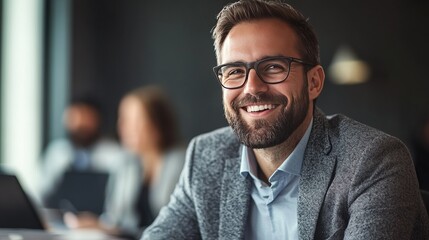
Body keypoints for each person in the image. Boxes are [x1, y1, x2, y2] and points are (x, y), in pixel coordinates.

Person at [142, 1, 429, 239]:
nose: (252, 88)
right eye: (234, 71)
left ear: (314, 82)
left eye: (274, 67)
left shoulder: (373, 160)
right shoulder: (206, 156)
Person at [73, 86, 186, 239]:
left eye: (133, 120)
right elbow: (115, 218)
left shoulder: (182, 163)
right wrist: (99, 225)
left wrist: (114, 230)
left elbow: (177, 227)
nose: (122, 127)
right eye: (122, 119)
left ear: (156, 125)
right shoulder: (126, 164)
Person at [38, 97, 127, 227]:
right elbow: (40, 193)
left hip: (99, 228)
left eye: (86, 118)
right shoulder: (57, 153)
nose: (79, 124)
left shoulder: (115, 155)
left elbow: (120, 208)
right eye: (74, 118)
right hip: (59, 225)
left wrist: (102, 223)